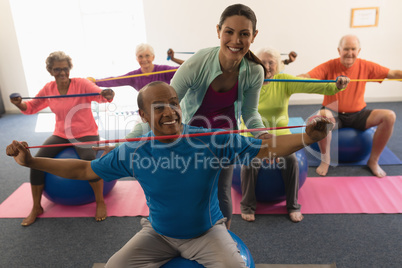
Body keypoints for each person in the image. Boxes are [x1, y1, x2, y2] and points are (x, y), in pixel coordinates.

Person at [6, 81, 334, 267]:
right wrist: (33, 162)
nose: (169, 110)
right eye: (158, 106)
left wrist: (309, 137)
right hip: (159, 234)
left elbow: (264, 150)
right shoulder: (133, 150)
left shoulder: (211, 138)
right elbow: (84, 168)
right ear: (142, 115)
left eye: (173, 103)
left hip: (206, 232)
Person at [123, 3, 272, 230]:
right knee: (186, 187)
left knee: (221, 188)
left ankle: (224, 235)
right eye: (229, 32)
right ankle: (176, 232)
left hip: (224, 137)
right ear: (218, 31)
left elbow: (250, 112)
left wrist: (262, 134)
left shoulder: (255, 71)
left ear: (254, 36)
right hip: (190, 135)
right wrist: (131, 139)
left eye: (244, 34)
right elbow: (164, 107)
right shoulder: (198, 63)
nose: (236, 40)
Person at [239, 47, 350, 223]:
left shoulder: (283, 80)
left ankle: (293, 206)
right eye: (262, 62)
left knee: (291, 160)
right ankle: (247, 205)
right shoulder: (247, 81)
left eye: (271, 63)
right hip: (254, 133)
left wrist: (335, 85)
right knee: (250, 162)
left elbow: (310, 85)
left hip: (280, 132)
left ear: (278, 65)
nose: (267, 67)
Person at [9, 51, 115, 226]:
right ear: (51, 70)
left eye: (65, 68)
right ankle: (36, 207)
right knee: (35, 162)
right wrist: (18, 103)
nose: (63, 73)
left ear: (70, 68)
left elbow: (100, 95)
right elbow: (30, 107)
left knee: (89, 162)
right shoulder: (49, 89)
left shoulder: (81, 84)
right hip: (61, 134)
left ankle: (100, 202)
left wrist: (107, 94)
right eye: (57, 69)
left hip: (85, 132)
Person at [299, 34, 402, 177]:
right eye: (346, 49)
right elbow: (307, 77)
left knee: (390, 116)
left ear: (358, 51)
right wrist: (293, 79)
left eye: (353, 49)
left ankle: (373, 161)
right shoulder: (329, 65)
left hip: (358, 114)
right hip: (332, 112)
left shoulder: (366, 65)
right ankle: (326, 160)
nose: (350, 52)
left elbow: (392, 73)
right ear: (339, 50)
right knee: (322, 117)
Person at [88, 43, 180, 91]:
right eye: (140, 56)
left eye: (147, 56)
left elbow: (185, 69)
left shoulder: (163, 70)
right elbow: (116, 80)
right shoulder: (134, 76)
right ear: (136, 58)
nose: (144, 59)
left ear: (153, 57)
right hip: (146, 111)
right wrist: (95, 82)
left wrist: (174, 58)